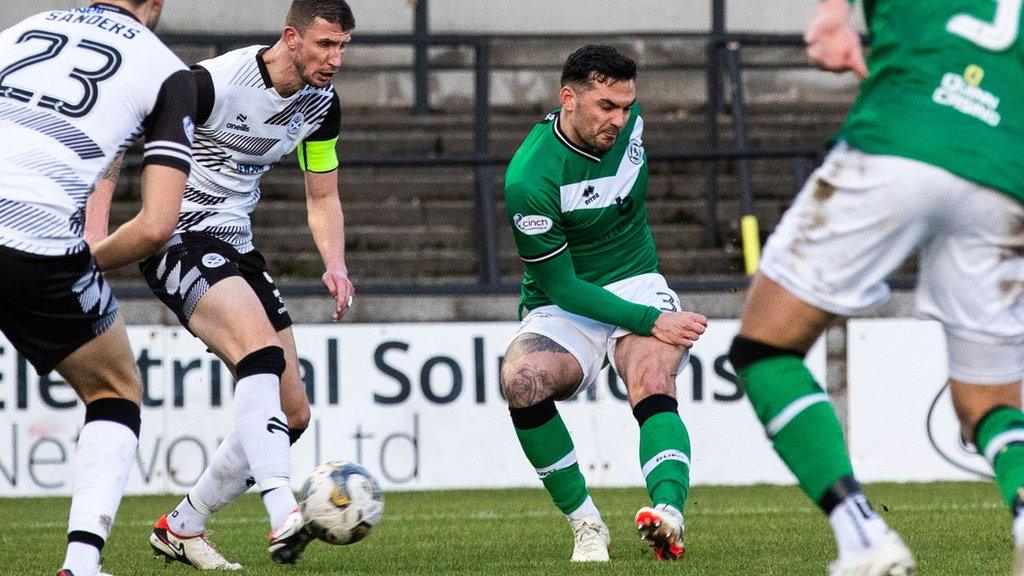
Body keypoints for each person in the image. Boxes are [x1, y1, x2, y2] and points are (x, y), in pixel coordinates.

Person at [728, 0, 1024, 574]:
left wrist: (834, 16)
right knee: (990, 404)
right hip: (1006, 176)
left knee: (765, 349)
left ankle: (863, 538)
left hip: (900, 136)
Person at [87, 0, 355, 569]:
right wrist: (94, 234)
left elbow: (323, 194)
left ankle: (182, 526)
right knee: (257, 352)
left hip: (235, 240)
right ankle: (284, 509)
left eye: (343, 47)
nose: (336, 59)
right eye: (326, 45)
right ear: (292, 37)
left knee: (293, 413)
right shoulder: (211, 84)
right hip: (175, 234)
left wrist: (335, 263)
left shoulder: (321, 106)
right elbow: (112, 148)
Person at [0, 2, 196, 576]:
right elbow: (158, 224)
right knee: (115, 388)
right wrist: (89, 260)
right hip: (33, 239)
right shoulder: (167, 71)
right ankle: (81, 562)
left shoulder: (26, 28)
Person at [501, 45, 709, 562]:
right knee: (521, 383)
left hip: (636, 278)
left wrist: (646, 311)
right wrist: (652, 320)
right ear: (567, 99)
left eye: (626, 106)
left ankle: (668, 515)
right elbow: (566, 288)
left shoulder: (630, 121)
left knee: (653, 378)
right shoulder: (530, 179)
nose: (619, 119)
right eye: (605, 107)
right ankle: (586, 525)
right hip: (563, 300)